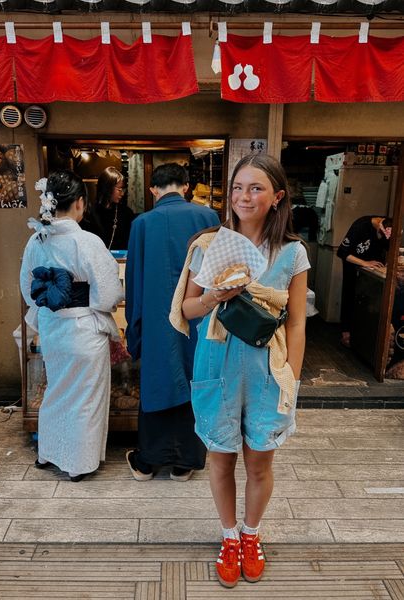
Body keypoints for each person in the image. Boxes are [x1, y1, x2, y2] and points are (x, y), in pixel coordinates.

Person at [170, 154, 309, 588]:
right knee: (220, 457)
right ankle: (229, 536)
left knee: (260, 462)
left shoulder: (293, 252)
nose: (244, 197)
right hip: (217, 362)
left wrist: (292, 378)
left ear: (277, 196)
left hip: (269, 368)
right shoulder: (208, 245)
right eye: (238, 188)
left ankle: (252, 534)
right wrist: (215, 295)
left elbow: (298, 322)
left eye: (256, 188)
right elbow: (187, 309)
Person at [20, 170, 124, 481]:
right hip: (83, 329)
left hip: (53, 326)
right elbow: (107, 295)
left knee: (56, 391)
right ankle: (78, 464)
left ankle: (48, 454)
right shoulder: (87, 241)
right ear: (79, 203)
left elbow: (28, 291)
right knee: (85, 398)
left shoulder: (36, 240)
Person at [125, 162, 220, 482]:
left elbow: (134, 281)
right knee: (195, 378)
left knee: (157, 379)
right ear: (187, 187)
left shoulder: (141, 223)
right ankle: (186, 462)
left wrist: (133, 325)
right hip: (200, 315)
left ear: (153, 190)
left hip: (155, 319)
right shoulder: (208, 218)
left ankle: (148, 462)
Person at [337, 215, 392, 348]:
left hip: (374, 269)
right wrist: (364, 263)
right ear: (379, 227)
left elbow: (389, 249)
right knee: (350, 295)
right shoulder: (360, 226)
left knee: (370, 301)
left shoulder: (389, 227)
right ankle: (346, 332)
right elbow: (342, 252)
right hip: (354, 264)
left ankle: (367, 335)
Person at [81, 166, 134, 250]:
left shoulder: (126, 213)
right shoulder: (89, 213)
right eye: (119, 189)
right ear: (107, 188)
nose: (122, 194)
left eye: (122, 189)